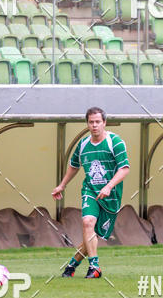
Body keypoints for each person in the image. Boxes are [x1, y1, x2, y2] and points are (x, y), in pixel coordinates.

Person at [52, 107, 130, 278]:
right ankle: (95, 267)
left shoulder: (115, 142)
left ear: (104, 123)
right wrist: (62, 185)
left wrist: (109, 186)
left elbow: (124, 169)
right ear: (87, 124)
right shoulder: (83, 144)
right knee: (88, 223)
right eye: (91, 122)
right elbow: (74, 165)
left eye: (97, 122)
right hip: (90, 191)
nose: (94, 125)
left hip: (112, 195)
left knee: (94, 235)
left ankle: (72, 265)